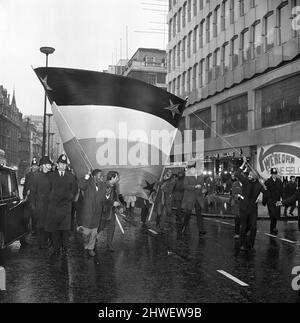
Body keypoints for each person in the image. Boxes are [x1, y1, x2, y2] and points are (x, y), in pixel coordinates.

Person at [46, 154, 77, 256]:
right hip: (54, 206)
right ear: (57, 164)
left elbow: (74, 190)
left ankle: (65, 247)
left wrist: (69, 199)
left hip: (66, 206)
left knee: (65, 229)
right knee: (55, 228)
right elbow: (48, 189)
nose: (63, 166)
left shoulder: (71, 176)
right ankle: (56, 247)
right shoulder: (51, 176)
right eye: (61, 164)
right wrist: (52, 198)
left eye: (64, 164)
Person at [235, 157, 268, 251]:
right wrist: (243, 163)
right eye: (249, 174)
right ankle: (242, 244)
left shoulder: (259, 185)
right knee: (244, 227)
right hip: (244, 208)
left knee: (253, 227)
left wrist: (264, 185)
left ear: (254, 176)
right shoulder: (245, 181)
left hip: (253, 209)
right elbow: (237, 173)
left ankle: (251, 245)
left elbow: (267, 194)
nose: (248, 175)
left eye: (250, 174)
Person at [77, 169, 106, 257]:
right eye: (100, 175)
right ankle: (83, 236)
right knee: (86, 232)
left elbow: (104, 198)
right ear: (94, 176)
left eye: (102, 175)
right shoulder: (88, 183)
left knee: (94, 232)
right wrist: (86, 176)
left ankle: (91, 248)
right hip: (88, 211)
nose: (102, 177)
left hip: (97, 212)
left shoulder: (103, 185)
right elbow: (81, 186)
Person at [30, 156, 52, 249]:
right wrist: (33, 204)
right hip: (40, 205)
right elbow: (33, 191)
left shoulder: (52, 175)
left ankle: (46, 240)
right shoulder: (36, 176)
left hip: (50, 204)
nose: (50, 166)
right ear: (43, 165)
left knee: (48, 224)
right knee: (40, 225)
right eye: (48, 164)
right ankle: (41, 242)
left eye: (50, 165)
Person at [181, 161, 206, 236]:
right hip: (190, 198)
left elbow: (202, 185)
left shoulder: (200, 175)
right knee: (188, 213)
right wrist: (194, 187)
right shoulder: (187, 176)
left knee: (199, 213)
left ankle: (201, 230)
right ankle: (184, 227)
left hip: (198, 197)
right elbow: (185, 186)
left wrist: (204, 189)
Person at [100, 171, 121, 252]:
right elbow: (102, 199)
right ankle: (92, 241)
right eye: (116, 177)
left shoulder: (115, 185)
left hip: (111, 211)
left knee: (112, 227)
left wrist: (119, 206)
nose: (118, 179)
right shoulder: (104, 186)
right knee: (100, 227)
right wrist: (113, 203)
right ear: (112, 178)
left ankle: (109, 244)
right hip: (103, 211)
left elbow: (116, 198)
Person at [264, 168, 283, 235]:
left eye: (275, 174)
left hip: (277, 201)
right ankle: (272, 228)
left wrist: (283, 200)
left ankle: (274, 227)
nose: (274, 175)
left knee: (276, 215)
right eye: (273, 174)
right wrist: (264, 201)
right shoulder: (267, 181)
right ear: (271, 174)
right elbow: (265, 191)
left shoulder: (279, 181)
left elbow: (281, 191)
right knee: (272, 215)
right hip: (270, 201)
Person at [23, 157, 40, 234]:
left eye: (36, 165)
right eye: (33, 165)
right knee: (27, 215)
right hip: (28, 198)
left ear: (38, 166)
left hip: (35, 199)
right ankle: (27, 230)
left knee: (34, 215)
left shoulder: (39, 175)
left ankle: (34, 229)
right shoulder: (28, 175)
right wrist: (24, 195)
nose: (34, 167)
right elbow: (25, 186)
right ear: (31, 166)